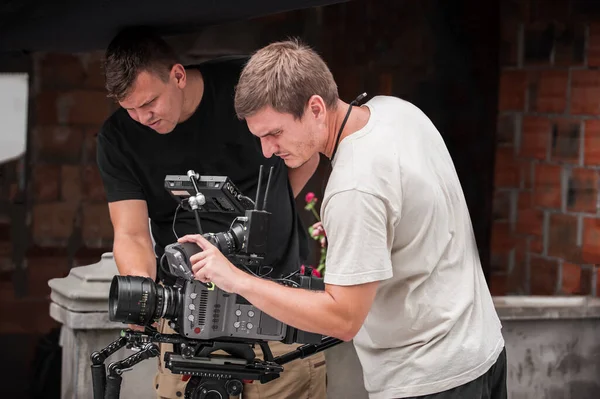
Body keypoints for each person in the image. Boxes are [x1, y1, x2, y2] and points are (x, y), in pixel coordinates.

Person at [180, 38, 507, 399]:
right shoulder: (396, 111)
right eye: (259, 137)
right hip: (483, 350)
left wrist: (237, 280)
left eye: (274, 133)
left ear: (316, 108)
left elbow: (343, 319)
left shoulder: (354, 187)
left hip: (428, 380)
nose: (267, 150)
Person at [96, 28, 326, 399]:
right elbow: (132, 233)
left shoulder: (249, 86)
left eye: (150, 102)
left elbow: (308, 152)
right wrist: (142, 300)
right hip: (187, 316)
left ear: (178, 75)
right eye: (130, 109)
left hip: (276, 302)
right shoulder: (118, 139)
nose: (142, 117)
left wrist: (265, 217)